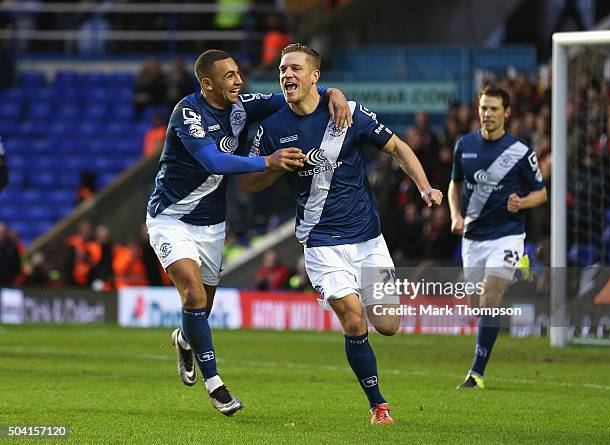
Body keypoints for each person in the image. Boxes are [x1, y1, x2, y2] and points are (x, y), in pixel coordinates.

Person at [240, 44, 443, 424]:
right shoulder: (271, 127)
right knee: (353, 319)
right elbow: (248, 185)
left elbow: (398, 147)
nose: (287, 75)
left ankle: (374, 377)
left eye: (296, 69)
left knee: (387, 325)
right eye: (283, 69)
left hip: (367, 240)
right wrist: (272, 166)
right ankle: (378, 405)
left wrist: (424, 186)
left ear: (315, 76)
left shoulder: (347, 113)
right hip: (320, 244)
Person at [145, 49, 351, 416]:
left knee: (200, 309)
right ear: (207, 84)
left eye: (239, 73)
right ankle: (216, 385)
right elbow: (214, 161)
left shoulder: (241, 105)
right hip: (170, 218)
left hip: (211, 225)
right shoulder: (188, 113)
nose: (239, 81)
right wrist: (266, 161)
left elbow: (293, 95)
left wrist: (333, 92)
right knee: (192, 295)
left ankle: (185, 339)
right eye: (229, 77)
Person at [448, 86, 547, 389]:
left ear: (507, 112)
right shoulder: (464, 146)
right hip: (473, 237)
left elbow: (542, 193)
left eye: (493, 109)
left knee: (491, 296)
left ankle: (476, 373)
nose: (487, 114)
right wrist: (455, 214)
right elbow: (455, 185)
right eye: (483, 109)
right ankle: (520, 271)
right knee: (477, 306)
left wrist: (522, 202)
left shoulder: (520, 152)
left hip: (507, 235)